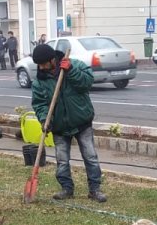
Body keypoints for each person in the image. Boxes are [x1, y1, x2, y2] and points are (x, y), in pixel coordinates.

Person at [30, 42, 107, 203]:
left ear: (52, 60)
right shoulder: (40, 81)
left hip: (81, 121)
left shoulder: (75, 65)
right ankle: (66, 189)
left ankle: (95, 189)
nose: (42, 68)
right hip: (59, 125)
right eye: (39, 65)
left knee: (90, 156)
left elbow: (86, 83)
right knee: (62, 159)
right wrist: (45, 118)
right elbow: (39, 103)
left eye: (44, 64)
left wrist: (71, 71)